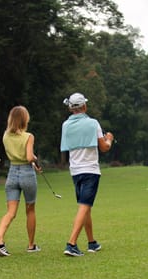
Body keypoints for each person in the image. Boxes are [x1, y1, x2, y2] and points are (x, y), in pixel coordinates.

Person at [60, 92, 114, 257]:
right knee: (84, 206)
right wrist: (109, 139)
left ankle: (92, 242)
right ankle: (71, 244)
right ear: (84, 106)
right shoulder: (93, 123)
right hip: (90, 169)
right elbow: (104, 147)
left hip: (75, 171)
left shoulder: (66, 125)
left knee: (86, 207)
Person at [0, 106, 41, 257]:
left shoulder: (6, 135)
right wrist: (35, 159)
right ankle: (31, 245)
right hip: (27, 173)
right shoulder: (28, 136)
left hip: (12, 174)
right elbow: (28, 157)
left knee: (11, 212)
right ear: (24, 119)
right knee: (30, 209)